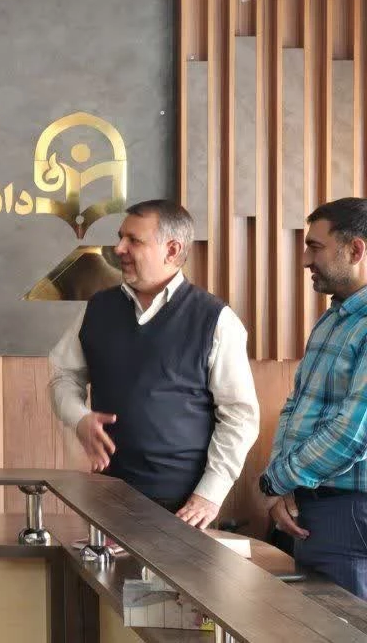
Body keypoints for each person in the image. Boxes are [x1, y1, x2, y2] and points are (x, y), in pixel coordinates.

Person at [48, 199, 259, 527]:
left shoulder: (216, 319)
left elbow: (239, 416)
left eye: (134, 240)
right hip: (107, 496)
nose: (119, 248)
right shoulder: (97, 308)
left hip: (185, 507)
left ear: (172, 250)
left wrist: (210, 494)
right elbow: (64, 377)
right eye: (121, 237)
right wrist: (79, 418)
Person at [260, 197, 367, 598]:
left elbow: (353, 433)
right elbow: (296, 406)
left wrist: (277, 479)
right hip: (316, 502)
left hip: (349, 510)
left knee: (340, 626)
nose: (305, 260)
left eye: (315, 247)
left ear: (355, 250)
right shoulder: (334, 318)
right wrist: (280, 483)